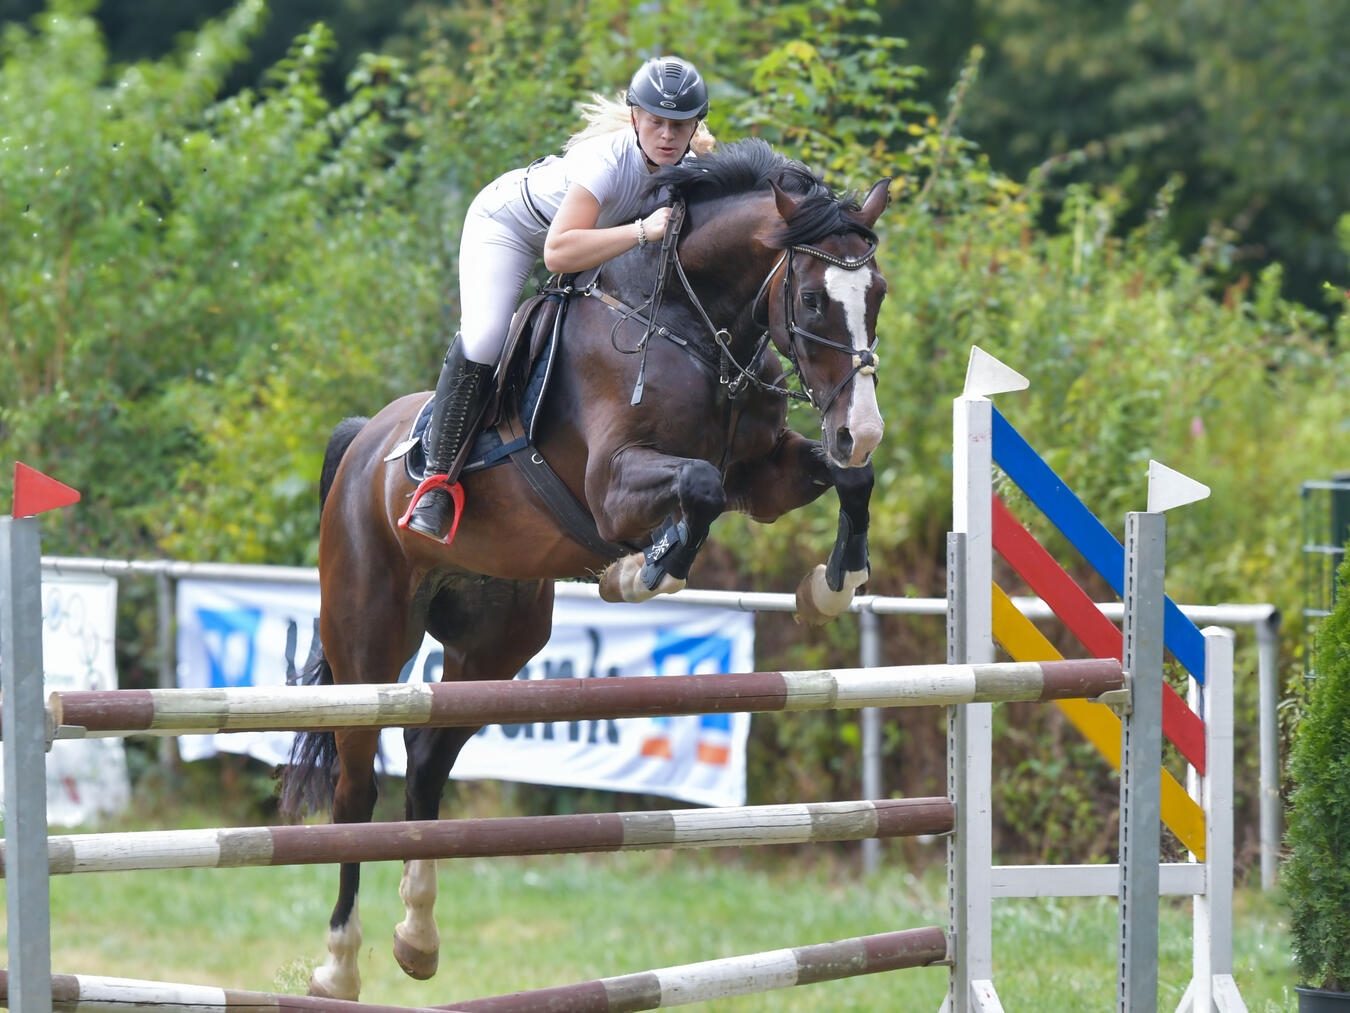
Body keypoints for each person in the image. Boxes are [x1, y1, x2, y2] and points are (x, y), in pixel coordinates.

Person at [403, 56, 714, 542]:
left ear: (697, 125)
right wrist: (639, 230)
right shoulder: (607, 160)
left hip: (585, 241)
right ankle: (436, 481)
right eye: (657, 121)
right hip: (512, 227)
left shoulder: (688, 170)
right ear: (635, 117)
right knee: (486, 337)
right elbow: (557, 252)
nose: (668, 135)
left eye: (680, 125)